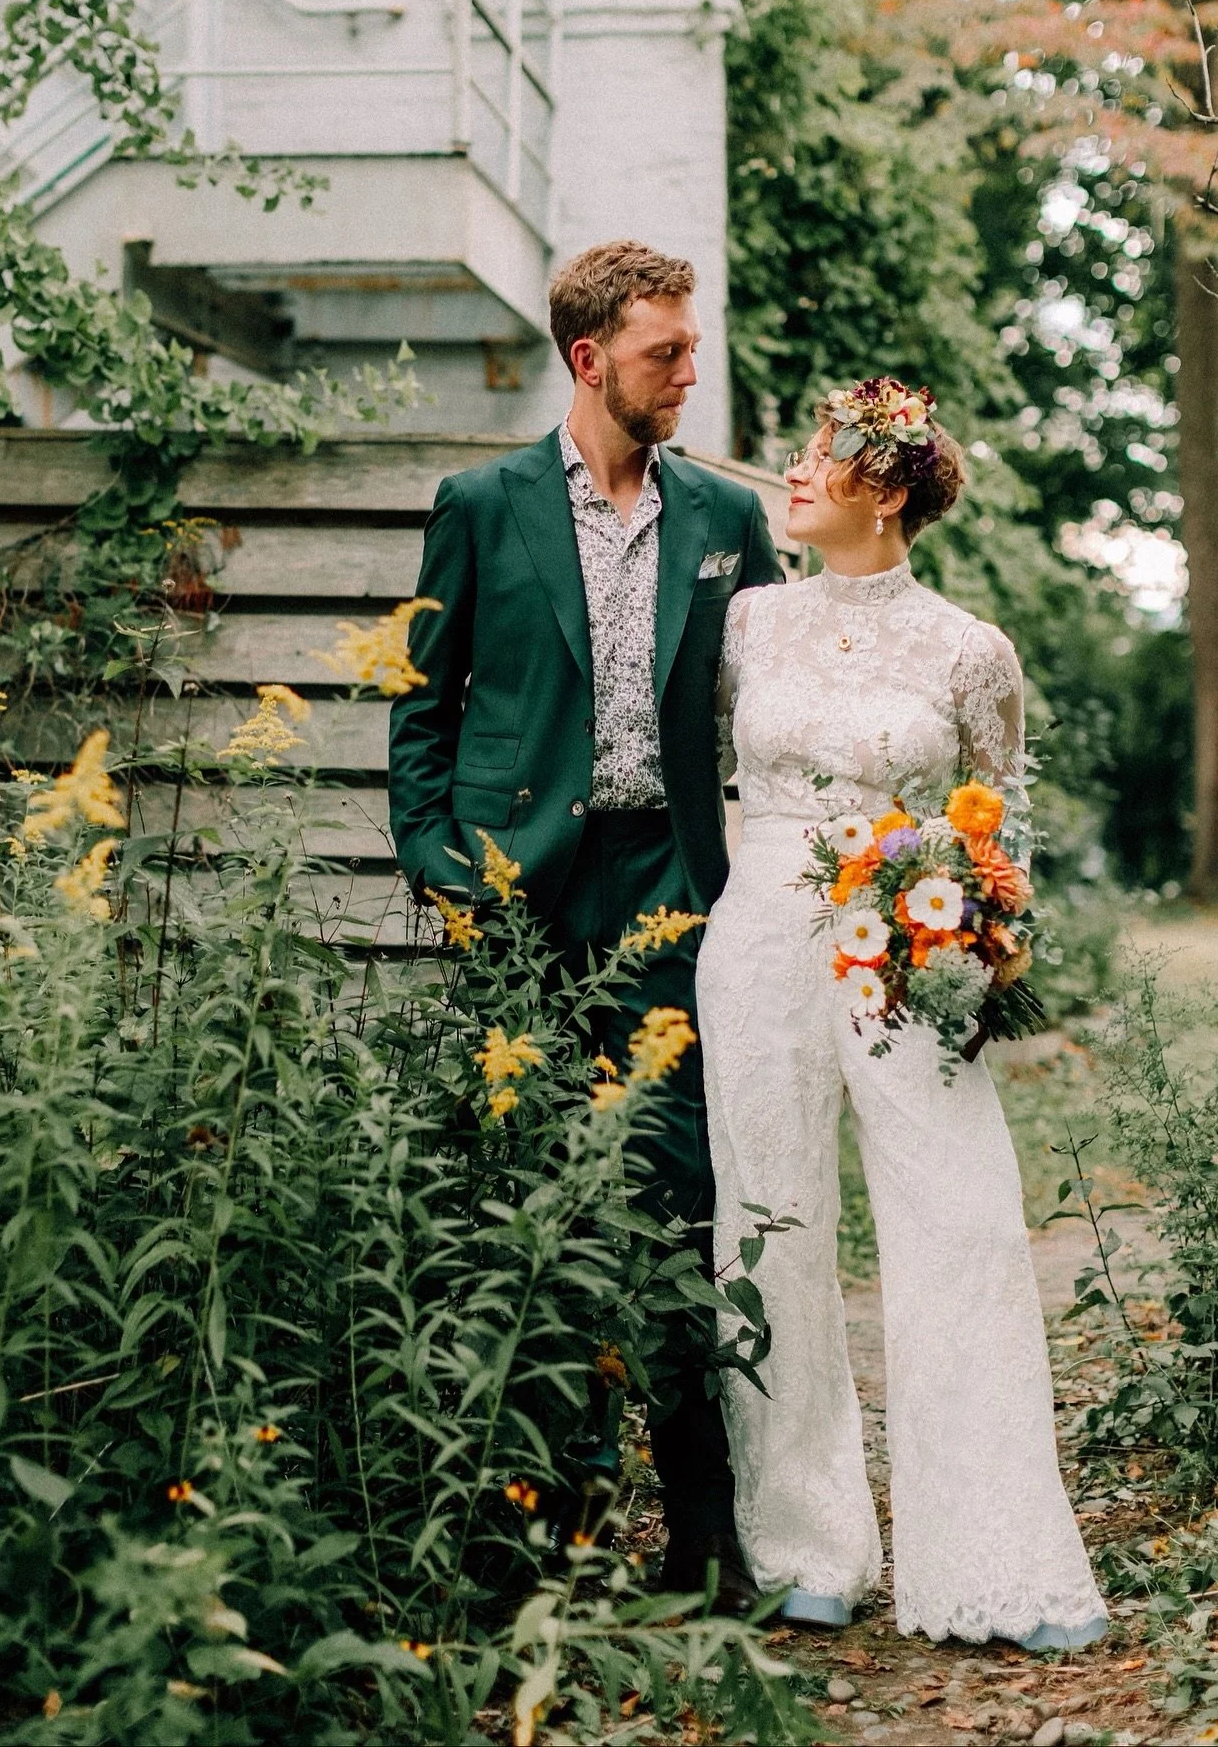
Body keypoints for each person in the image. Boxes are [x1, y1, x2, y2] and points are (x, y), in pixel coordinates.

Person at [388, 239, 786, 1606]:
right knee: (534, 1211)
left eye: (690, 345)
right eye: (665, 351)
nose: (689, 370)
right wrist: (449, 873)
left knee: (675, 1206)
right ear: (588, 358)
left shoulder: (731, 522)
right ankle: (537, 1539)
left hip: (673, 897)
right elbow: (420, 707)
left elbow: (781, 717)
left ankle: (705, 1539)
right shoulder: (481, 504)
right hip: (526, 903)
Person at [695, 378, 1108, 1649]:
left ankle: (992, 1552)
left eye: (820, 457)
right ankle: (807, 1542)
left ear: (885, 485)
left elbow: (1002, 816)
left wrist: (974, 940)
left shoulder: (972, 650)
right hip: (759, 939)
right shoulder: (751, 624)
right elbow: (714, 773)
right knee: (769, 1221)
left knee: (964, 1222)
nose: (795, 475)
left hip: (903, 955)